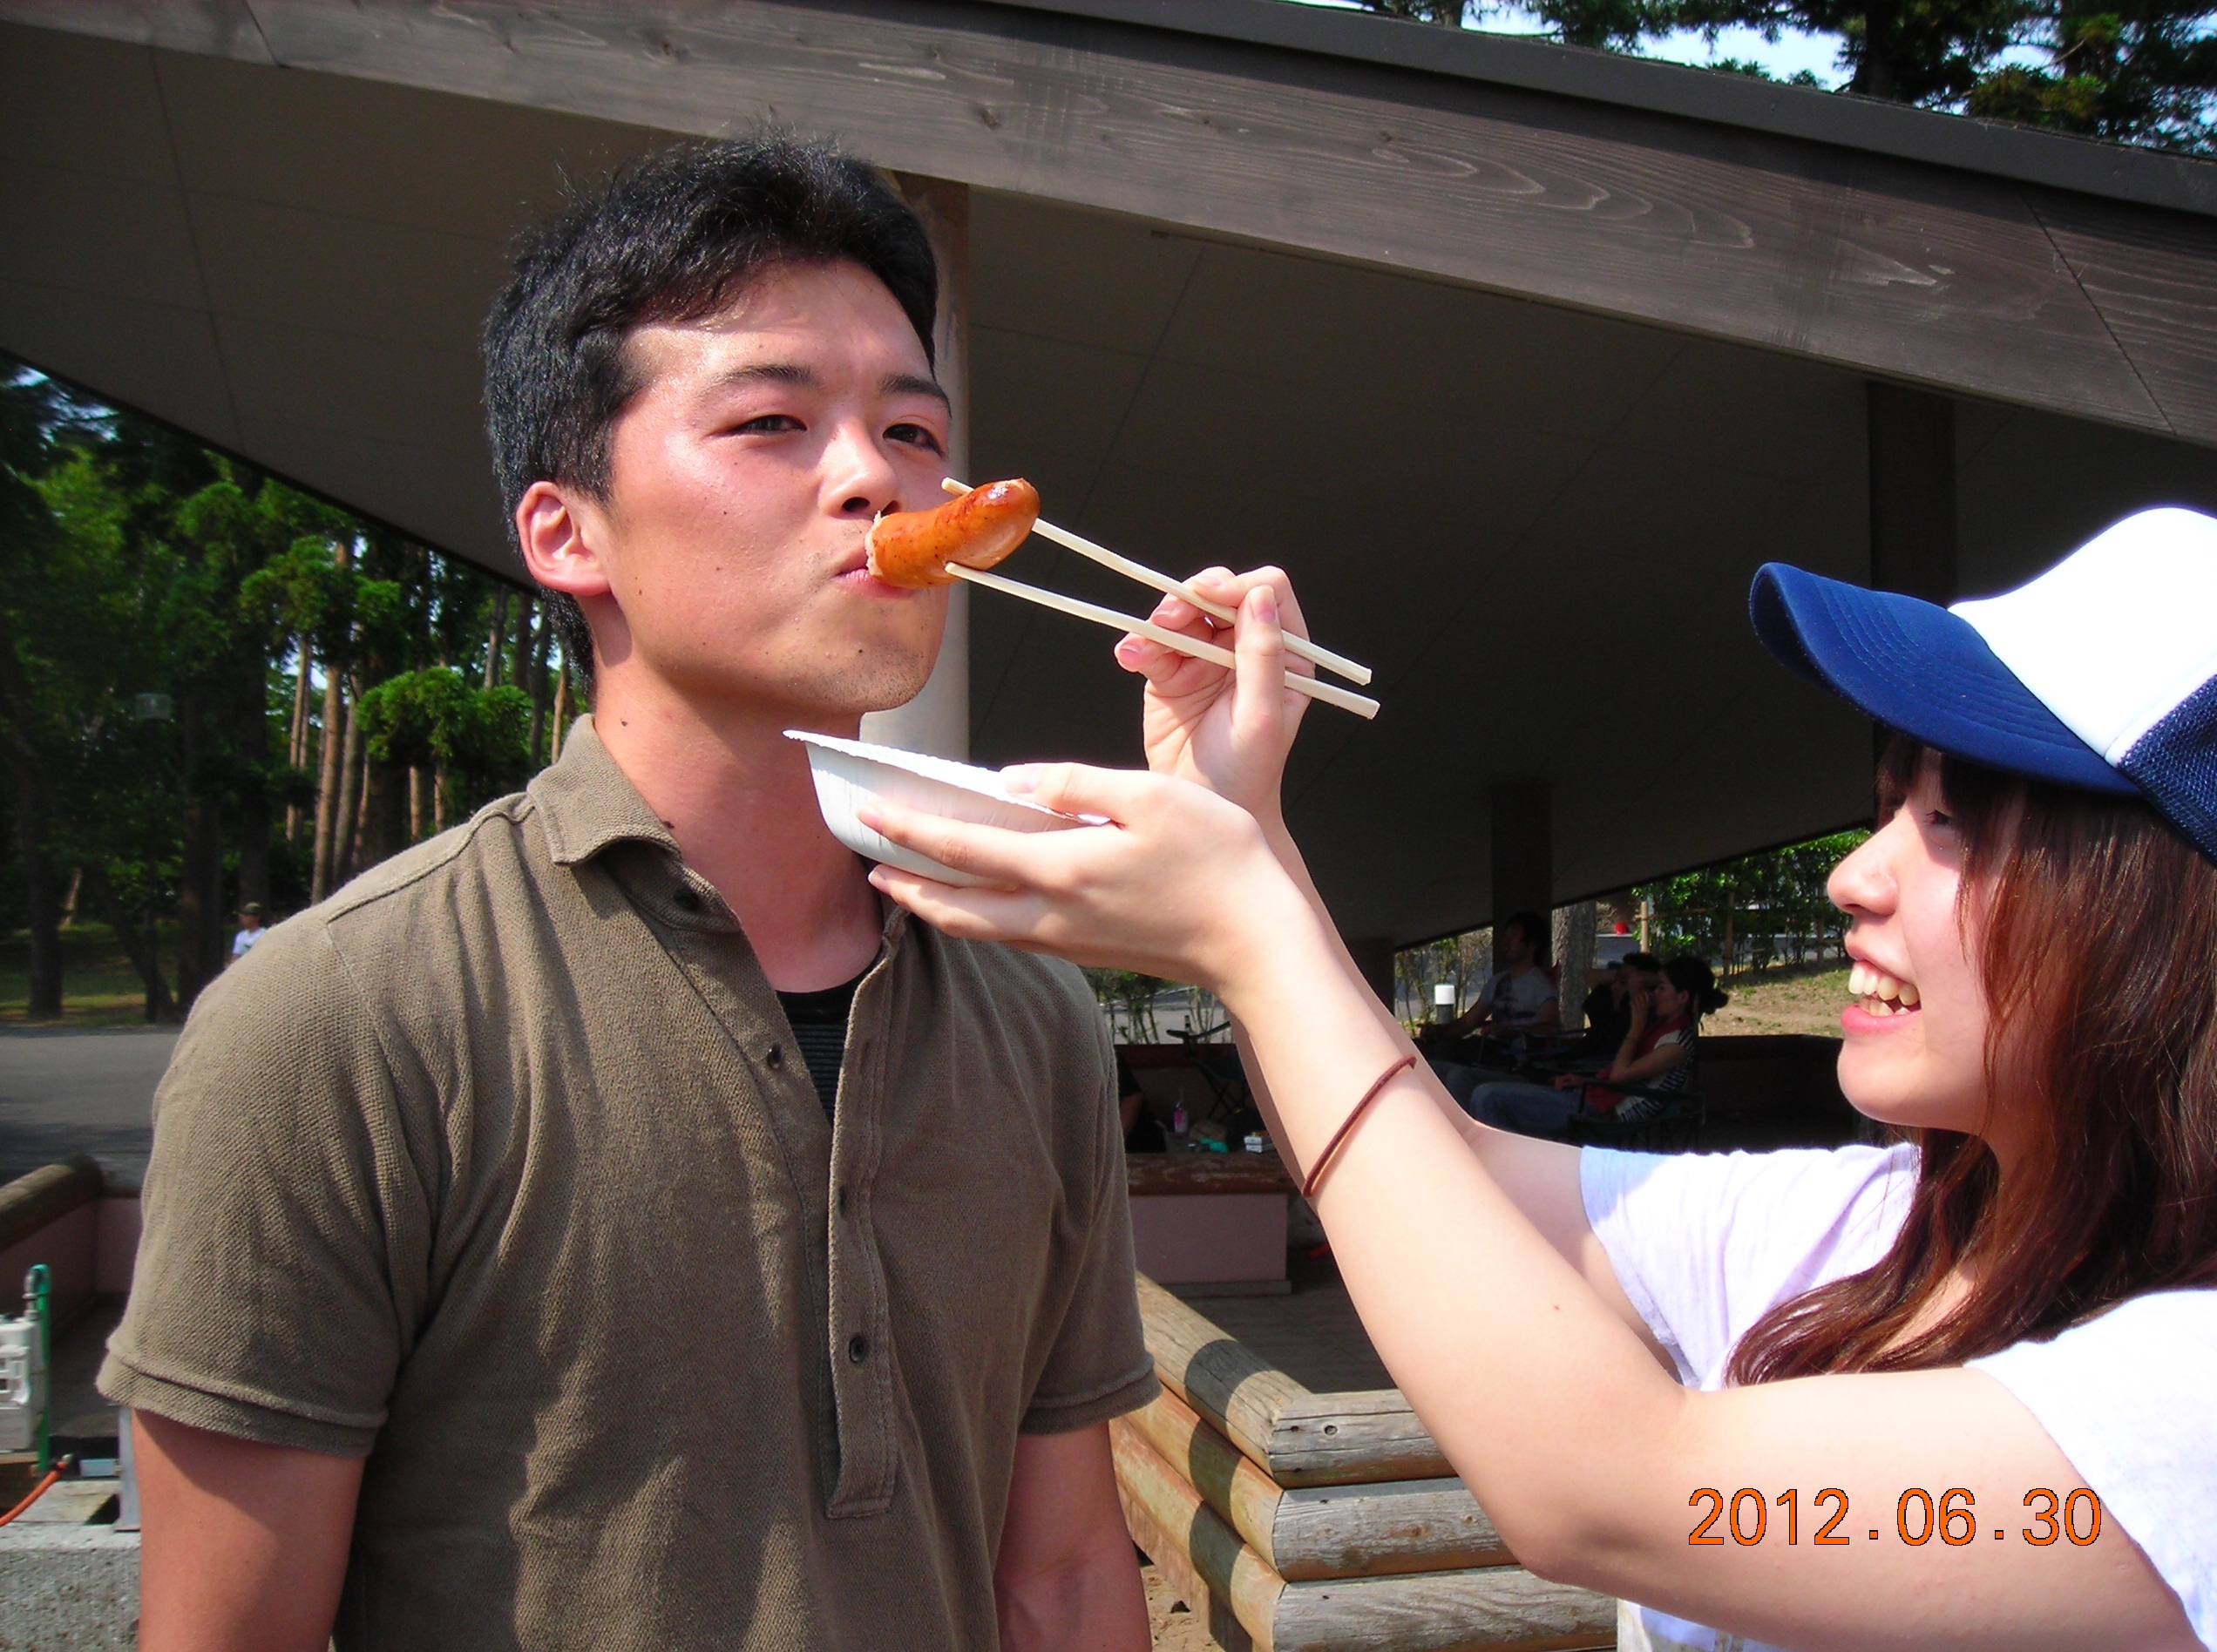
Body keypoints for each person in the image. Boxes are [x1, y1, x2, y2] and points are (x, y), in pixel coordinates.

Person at [101, 139, 1156, 1652]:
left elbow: (1058, 1577)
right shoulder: (333, 1021)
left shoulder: (1032, 1012)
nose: (877, 476)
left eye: (914, 430)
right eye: (772, 420)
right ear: (566, 531)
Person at [857, 504, 2217, 1650]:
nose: (1855, 876)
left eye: (1953, 823)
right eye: (1889, 808)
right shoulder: (1873, 1231)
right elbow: (1458, 1176)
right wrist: (1247, 831)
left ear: (2163, 918)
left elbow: (1615, 1493)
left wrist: (1250, 938)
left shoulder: (2189, 1413)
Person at [1468, 954, 1724, 1139]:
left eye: (1661, 988)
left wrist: (1636, 1026)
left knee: (1488, 1096)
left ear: (1682, 997)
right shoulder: (1663, 1029)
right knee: (1473, 1087)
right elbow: (1621, 1076)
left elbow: (1620, 1075)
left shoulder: (1677, 1044)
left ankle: (1499, 1174)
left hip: (1604, 1115)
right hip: (1594, 1097)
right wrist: (1584, 1081)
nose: (1654, 994)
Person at [1578, 950, 1660, 1056]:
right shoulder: (1609, 1004)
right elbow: (1592, 975)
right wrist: (1621, 976)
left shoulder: (1639, 1020)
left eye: (1623, 982)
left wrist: (1636, 979)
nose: (1614, 987)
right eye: (1615, 980)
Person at [224, 902, 265, 966]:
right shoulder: (241, 935)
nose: (242, 917)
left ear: (256, 917)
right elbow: (236, 955)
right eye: (242, 914)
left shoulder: (264, 934)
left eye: (246, 915)